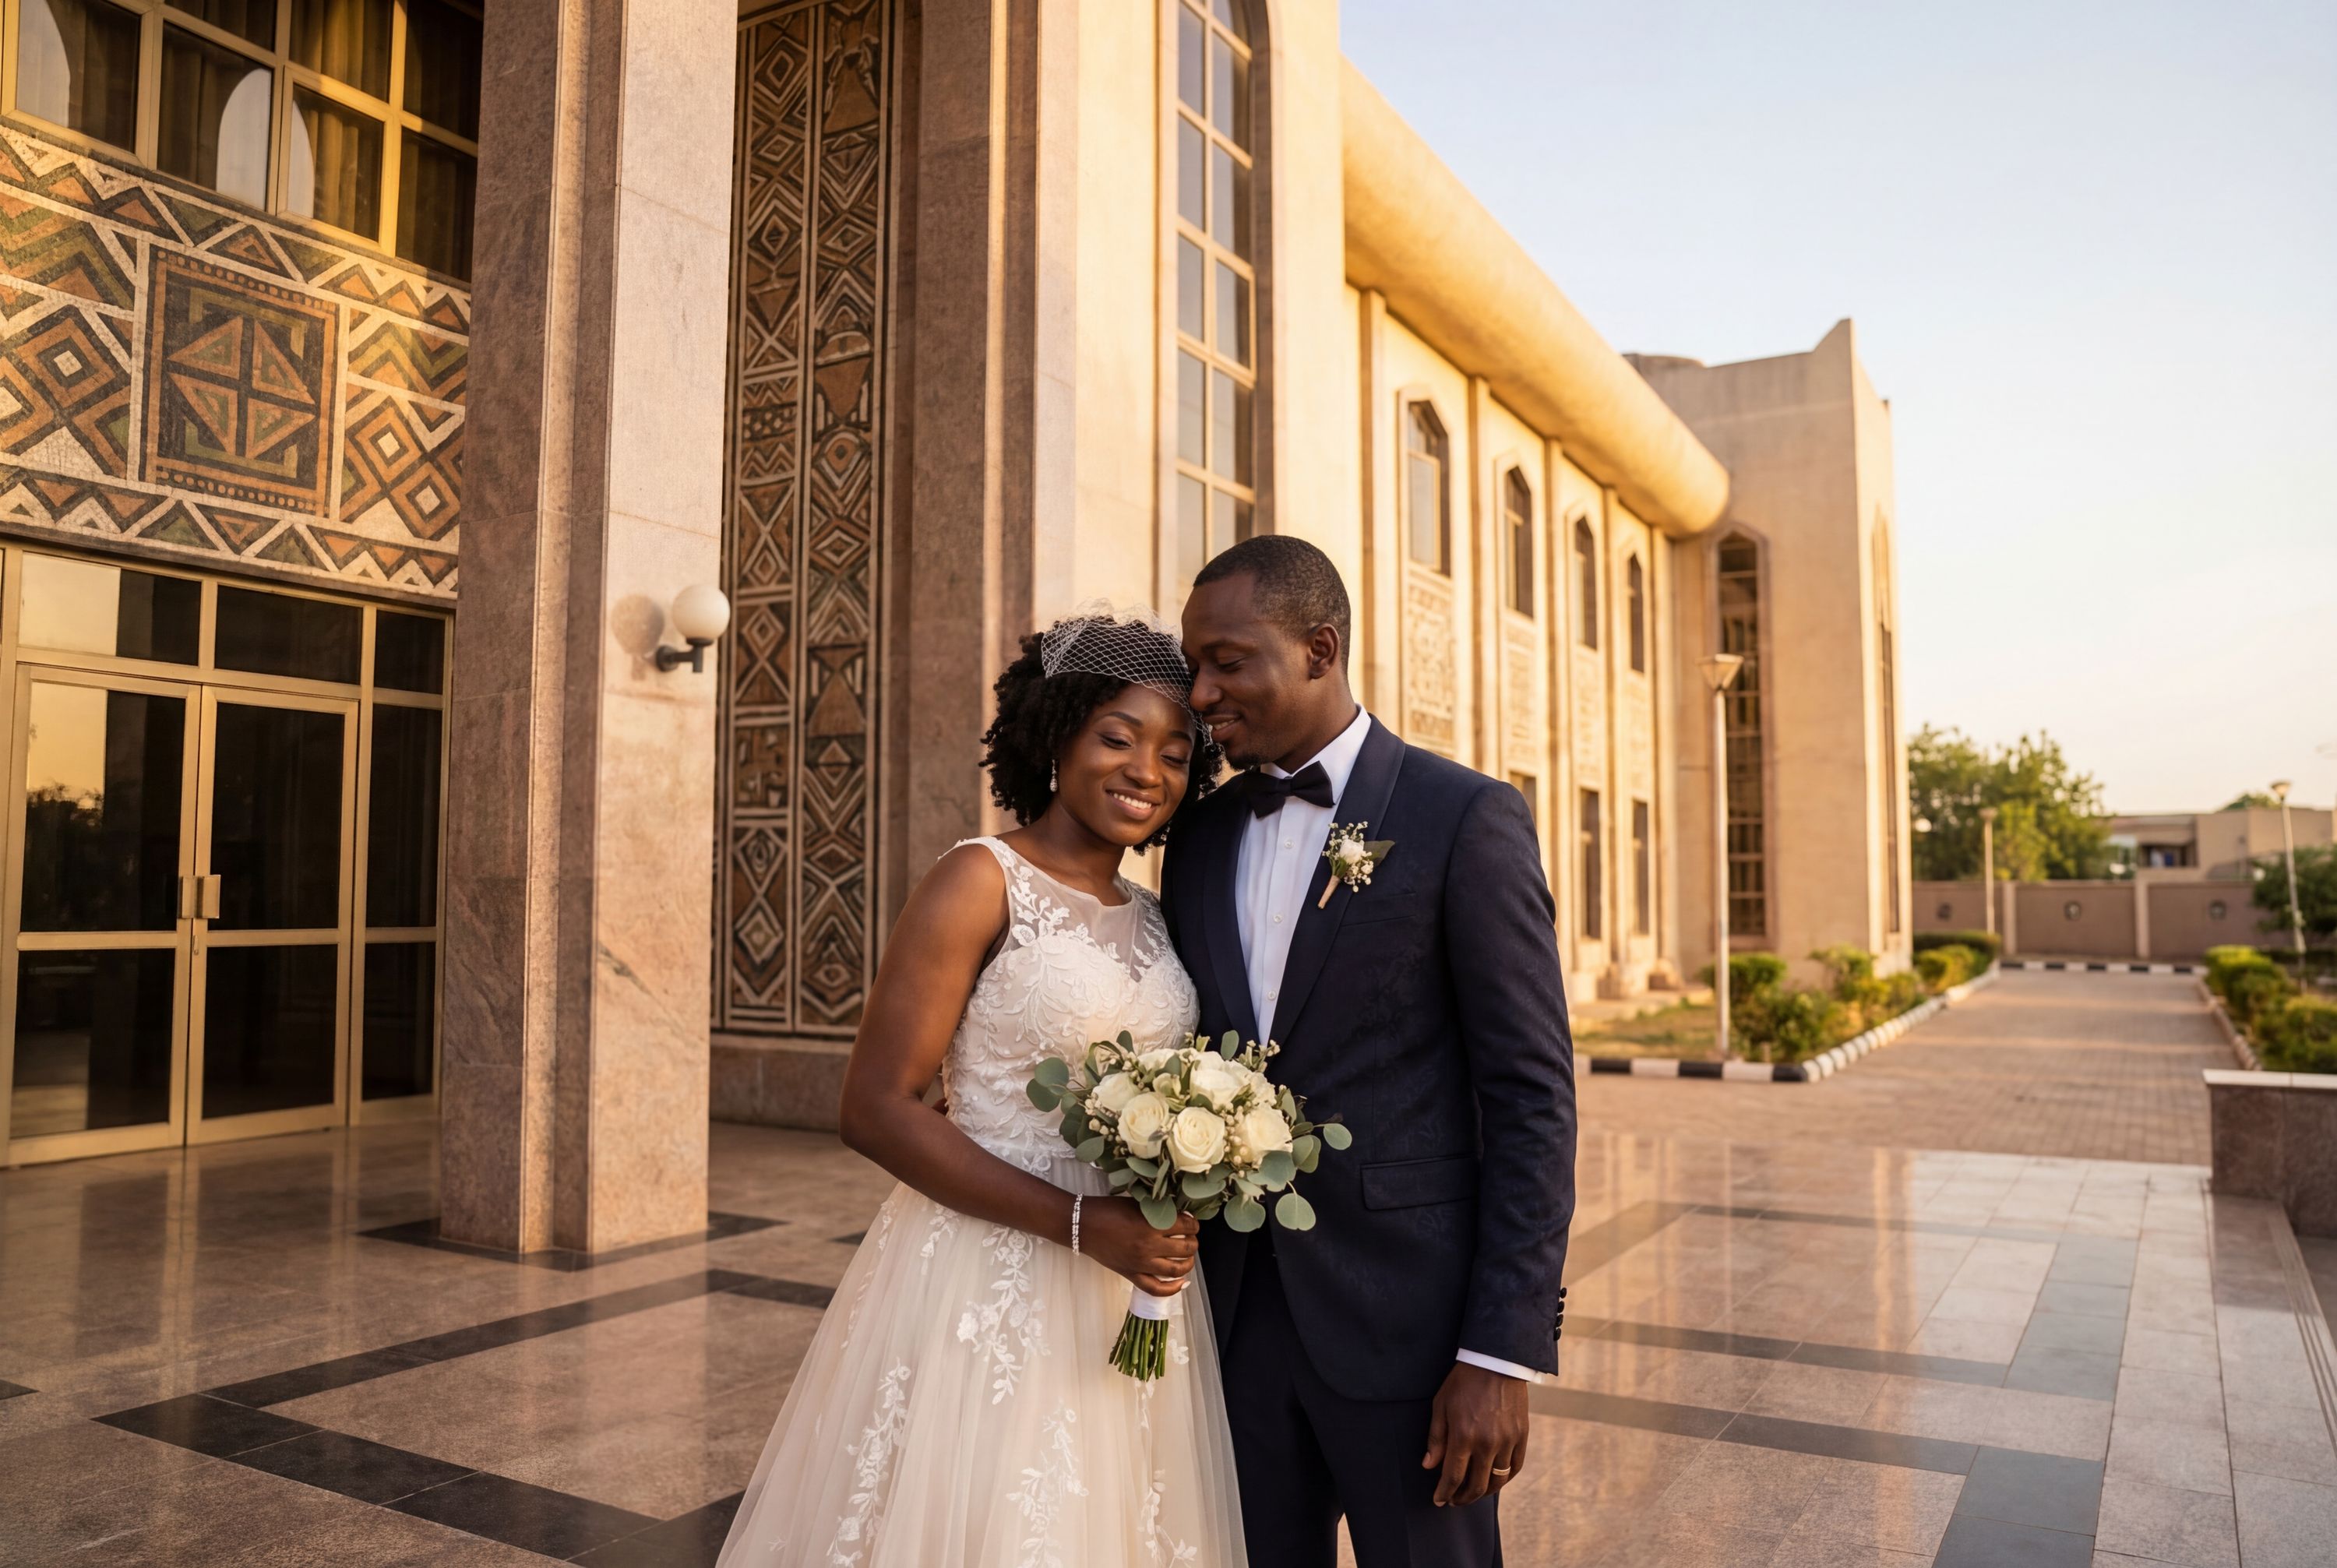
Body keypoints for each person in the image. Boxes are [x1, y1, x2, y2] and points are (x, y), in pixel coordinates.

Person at [717, 608, 1247, 1567]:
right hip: (987, 1269)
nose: (1146, 770)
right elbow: (874, 1108)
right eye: (1117, 738)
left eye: (1176, 755)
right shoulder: (980, 878)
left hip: (1127, 1280)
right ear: (1056, 737)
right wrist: (1084, 1226)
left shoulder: (1157, 914)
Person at [1162, 536, 1577, 1568]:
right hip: (1234, 1327)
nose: (1201, 694)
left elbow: (1531, 1095)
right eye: (1194, 666)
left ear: (1320, 648)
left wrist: (1500, 1350)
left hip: (1413, 1337)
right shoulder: (1197, 836)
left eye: (1227, 662)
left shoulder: (1464, 816)